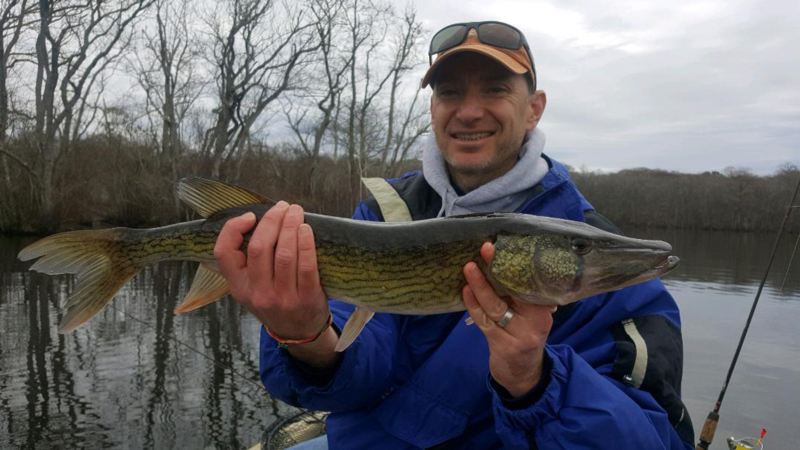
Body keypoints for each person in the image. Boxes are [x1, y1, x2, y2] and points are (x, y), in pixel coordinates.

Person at [215, 21, 695, 449]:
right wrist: (306, 340)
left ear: (534, 108)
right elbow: (358, 377)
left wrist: (534, 379)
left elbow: (657, 438)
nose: (469, 112)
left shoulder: (615, 281)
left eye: (494, 89)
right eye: (449, 93)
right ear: (433, 108)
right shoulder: (383, 215)